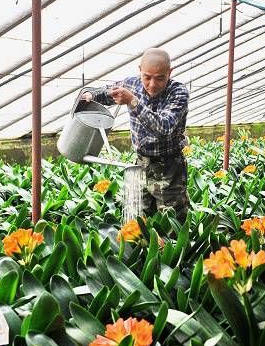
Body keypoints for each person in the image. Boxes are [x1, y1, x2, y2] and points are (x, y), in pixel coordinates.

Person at [80, 48, 190, 223]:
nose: (152, 84)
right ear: (140, 70)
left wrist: (133, 101)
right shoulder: (131, 84)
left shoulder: (178, 93)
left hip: (169, 167)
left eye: (160, 78)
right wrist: (91, 95)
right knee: (136, 218)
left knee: (172, 222)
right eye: (147, 77)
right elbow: (109, 92)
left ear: (170, 72)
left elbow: (164, 127)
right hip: (140, 164)